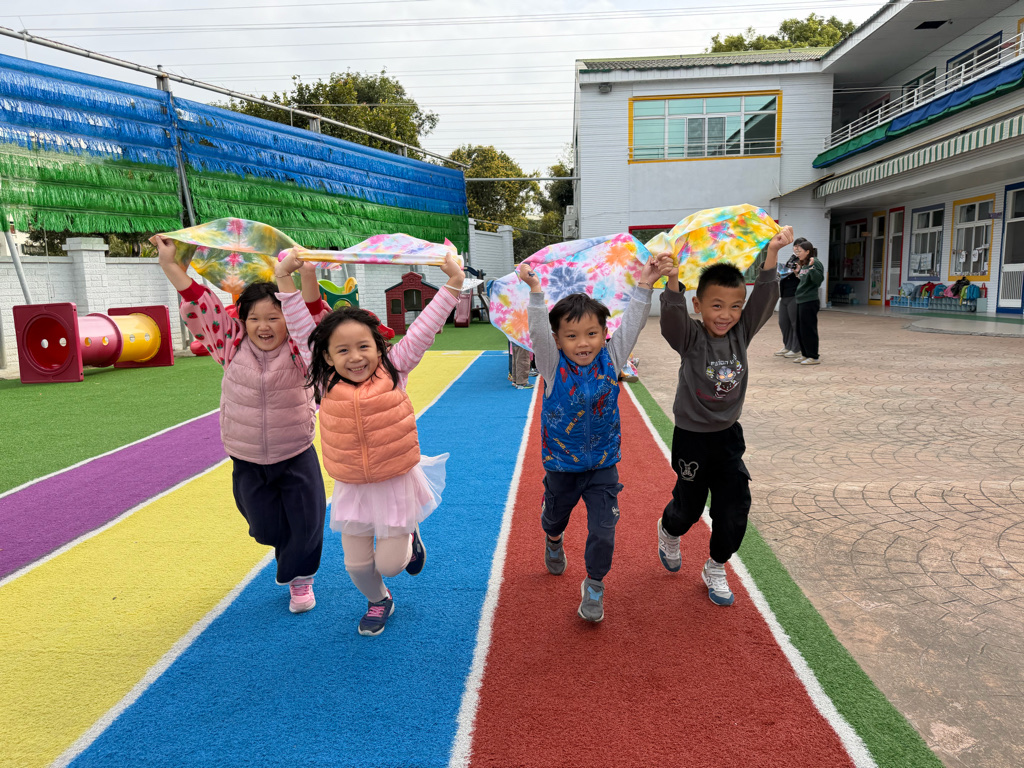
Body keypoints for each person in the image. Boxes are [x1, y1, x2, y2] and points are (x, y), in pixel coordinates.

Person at [277, 250, 463, 637]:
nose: (356, 357)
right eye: (342, 350)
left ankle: (410, 536)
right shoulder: (325, 381)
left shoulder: (395, 369)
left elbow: (423, 328)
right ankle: (379, 600)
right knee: (358, 565)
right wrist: (284, 279)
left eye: (364, 346)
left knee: (391, 563)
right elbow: (299, 327)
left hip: (394, 481)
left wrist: (454, 284)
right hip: (353, 486)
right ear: (326, 357)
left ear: (379, 348)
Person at [155, 237, 328, 615]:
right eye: (254, 318)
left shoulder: (300, 350)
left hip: (295, 452)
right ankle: (288, 549)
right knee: (265, 529)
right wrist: (170, 265)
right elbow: (202, 305)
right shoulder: (230, 345)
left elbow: (313, 319)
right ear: (241, 321)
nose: (263, 326)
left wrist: (308, 276)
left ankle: (301, 579)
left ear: (288, 318)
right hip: (247, 458)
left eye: (274, 317)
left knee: (307, 521)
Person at [520, 253, 674, 623]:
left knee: (604, 532)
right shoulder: (552, 367)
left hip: (603, 465)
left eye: (592, 334)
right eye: (571, 336)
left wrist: (645, 284)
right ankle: (553, 539)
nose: (583, 343)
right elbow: (538, 333)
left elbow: (632, 325)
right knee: (554, 519)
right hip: (562, 466)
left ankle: (594, 584)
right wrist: (536, 292)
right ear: (557, 341)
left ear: (604, 334)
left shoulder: (611, 359)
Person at [655, 226, 794, 606]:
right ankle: (669, 531)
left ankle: (716, 565)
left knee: (733, 508)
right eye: (717, 306)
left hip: (728, 438)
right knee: (688, 508)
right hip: (691, 438)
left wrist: (772, 254)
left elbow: (765, 298)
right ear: (698, 305)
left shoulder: (741, 333)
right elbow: (671, 321)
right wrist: (672, 280)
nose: (726, 315)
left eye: (735, 306)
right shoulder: (691, 338)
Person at [793, 237, 824, 366]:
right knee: (800, 329)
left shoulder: (815, 262)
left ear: (807, 251)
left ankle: (813, 356)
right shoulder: (804, 263)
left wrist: (811, 267)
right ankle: (805, 354)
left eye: (799, 251)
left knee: (809, 329)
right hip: (801, 300)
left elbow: (818, 280)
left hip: (809, 300)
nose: (797, 253)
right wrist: (797, 273)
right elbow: (805, 281)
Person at [774, 253, 801, 358]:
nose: (796, 250)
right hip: (784, 297)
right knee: (783, 323)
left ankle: (796, 349)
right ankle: (787, 346)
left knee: (795, 324)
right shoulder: (788, 265)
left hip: (794, 296)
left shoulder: (801, 266)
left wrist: (797, 271)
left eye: (798, 248)